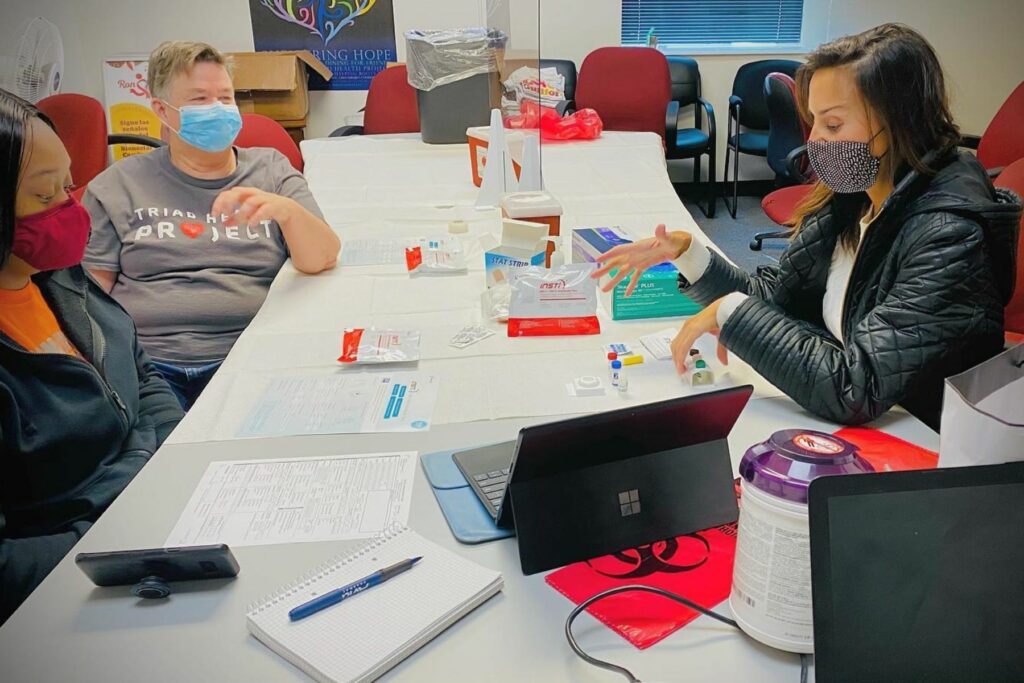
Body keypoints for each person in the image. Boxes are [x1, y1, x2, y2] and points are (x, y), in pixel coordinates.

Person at [594, 24, 1020, 431]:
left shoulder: (950, 236)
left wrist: (729, 313)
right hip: (866, 424)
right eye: (813, 121)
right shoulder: (853, 195)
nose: (814, 139)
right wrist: (690, 255)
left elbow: (856, 386)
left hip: (923, 442)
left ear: (897, 125)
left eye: (832, 125)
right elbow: (780, 299)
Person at [0, 90, 184, 624]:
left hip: (148, 507)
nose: (68, 208)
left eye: (67, 184)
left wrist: (170, 464)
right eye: (42, 197)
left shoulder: (53, 274)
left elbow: (140, 372)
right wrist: (113, 541)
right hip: (72, 586)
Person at [83, 41, 340, 410]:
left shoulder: (269, 169)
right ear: (162, 110)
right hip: (150, 368)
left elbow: (323, 257)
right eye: (200, 99)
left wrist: (286, 211)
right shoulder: (117, 186)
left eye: (225, 97)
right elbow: (90, 301)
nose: (218, 110)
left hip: (252, 355)